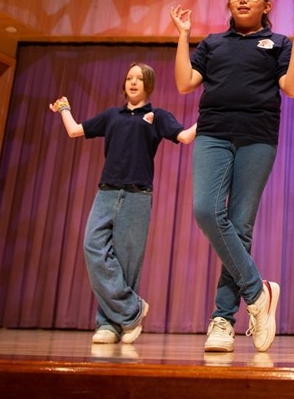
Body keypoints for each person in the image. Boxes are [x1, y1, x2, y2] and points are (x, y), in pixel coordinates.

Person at [170, 0, 294, 353]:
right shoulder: (213, 44)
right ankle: (257, 291)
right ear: (229, 2)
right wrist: (184, 35)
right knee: (205, 210)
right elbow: (186, 82)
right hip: (214, 134)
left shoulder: (279, 43)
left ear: (266, 5)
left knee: (239, 226)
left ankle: (221, 319)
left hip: (257, 138)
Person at [49, 63, 196, 344]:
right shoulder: (111, 115)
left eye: (139, 79)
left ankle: (110, 325)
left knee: (127, 261)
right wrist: (64, 108)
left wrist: (213, 116)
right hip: (106, 192)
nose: (133, 82)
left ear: (148, 85)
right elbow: (75, 131)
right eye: (129, 77)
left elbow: (185, 136)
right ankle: (132, 310)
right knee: (93, 247)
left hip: (137, 195)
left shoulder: (157, 115)